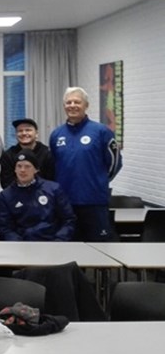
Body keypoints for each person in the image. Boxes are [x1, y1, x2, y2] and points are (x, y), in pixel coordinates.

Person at [49, 87, 122, 242]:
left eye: (77, 102)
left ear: (86, 105)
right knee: (66, 248)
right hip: (65, 203)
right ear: (64, 106)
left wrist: (99, 180)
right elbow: (54, 166)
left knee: (99, 248)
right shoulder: (56, 135)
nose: (72, 105)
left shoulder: (101, 132)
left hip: (94, 202)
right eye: (68, 102)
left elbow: (115, 163)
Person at [0, 150, 75, 241]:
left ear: (36, 169)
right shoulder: (6, 195)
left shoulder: (53, 189)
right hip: (22, 244)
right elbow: (5, 227)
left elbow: (68, 219)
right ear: (15, 169)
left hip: (52, 242)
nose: (22, 170)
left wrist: (59, 240)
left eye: (27, 166)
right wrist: (18, 244)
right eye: (19, 166)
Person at [0, 118, 55, 188]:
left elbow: (51, 181)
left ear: (36, 134)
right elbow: (6, 182)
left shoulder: (47, 153)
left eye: (28, 130)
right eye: (20, 131)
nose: (24, 133)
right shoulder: (8, 155)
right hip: (16, 193)